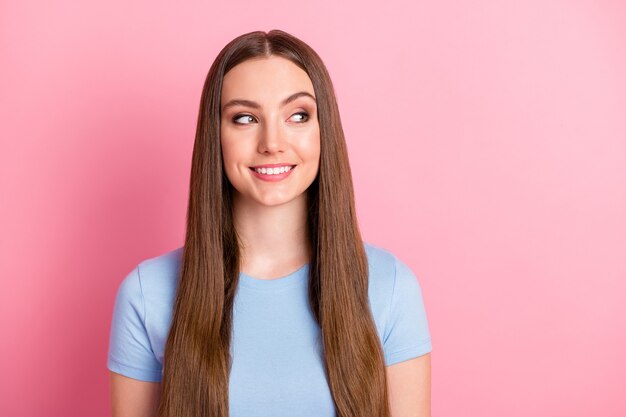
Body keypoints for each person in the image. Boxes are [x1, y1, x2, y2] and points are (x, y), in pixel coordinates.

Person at [107, 29, 432, 417]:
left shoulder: (390, 286)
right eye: (244, 118)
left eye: (298, 115)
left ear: (323, 130)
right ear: (216, 136)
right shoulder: (147, 295)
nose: (272, 142)